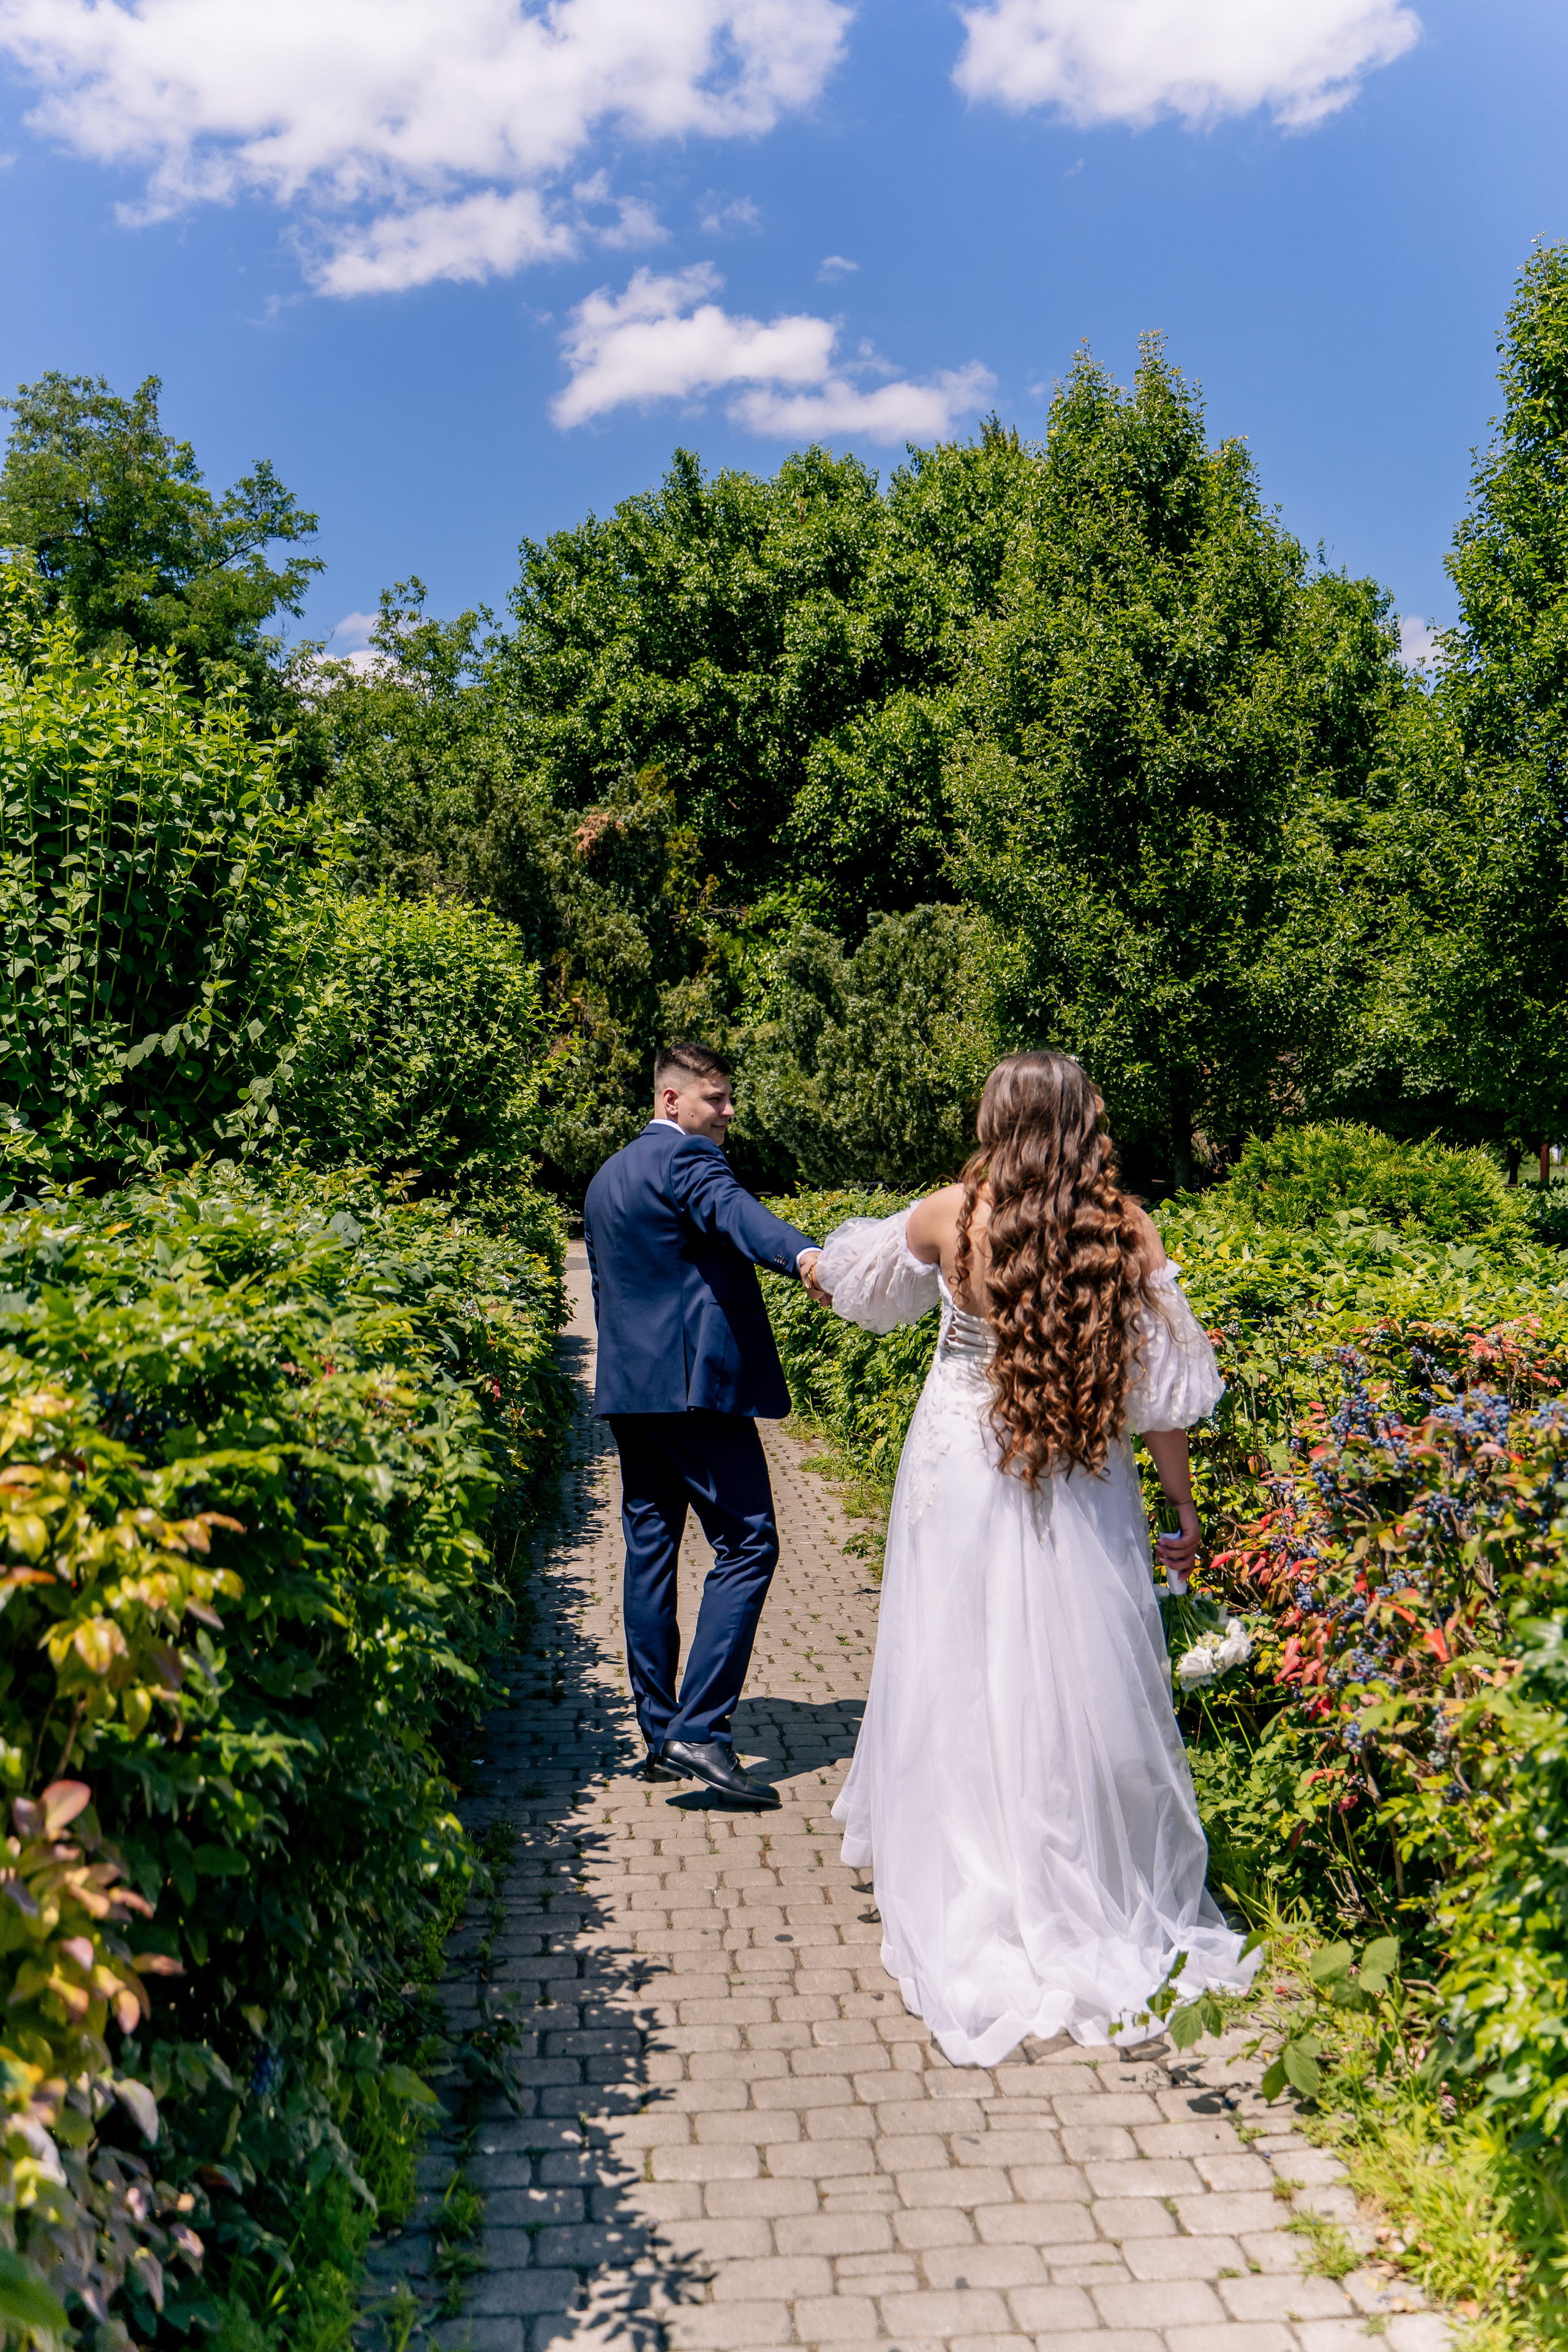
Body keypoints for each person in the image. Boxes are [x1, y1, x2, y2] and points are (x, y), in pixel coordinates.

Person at [815, 1050, 1257, 2064]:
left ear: (995, 1118)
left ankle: (965, 1866)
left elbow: (856, 1286)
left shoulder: (948, 1217)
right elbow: (1165, 1399)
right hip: (1078, 1471)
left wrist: (809, 1264)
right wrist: (1183, 1513)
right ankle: (1076, 1874)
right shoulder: (1124, 1229)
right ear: (1088, 1122)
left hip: (962, 1466)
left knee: (954, 1669)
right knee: (1066, 1678)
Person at [584, 1041, 825, 1809]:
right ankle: (703, 1729)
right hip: (694, 1393)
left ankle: (661, 1735)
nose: (726, 1113)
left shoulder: (607, 1178)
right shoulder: (687, 1162)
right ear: (670, 1102)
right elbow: (736, 1215)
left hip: (630, 1392)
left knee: (651, 1550)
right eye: (714, 1099)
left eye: (726, 1099)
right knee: (750, 1541)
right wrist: (807, 1258)